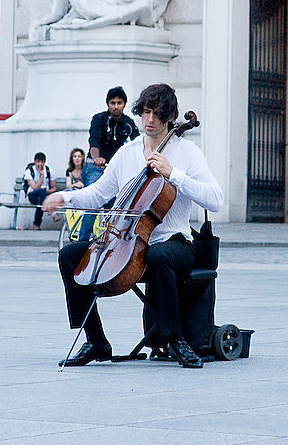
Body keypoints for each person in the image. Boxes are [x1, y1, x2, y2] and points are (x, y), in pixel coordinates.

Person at [43, 83, 224, 369]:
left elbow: (216, 199)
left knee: (158, 254)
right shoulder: (127, 154)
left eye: (158, 114)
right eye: (146, 112)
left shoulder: (186, 152)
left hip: (175, 243)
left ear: (170, 117)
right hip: (128, 242)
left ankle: (174, 339)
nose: (150, 120)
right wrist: (63, 197)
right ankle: (96, 341)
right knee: (69, 255)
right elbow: (98, 193)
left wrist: (173, 173)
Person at [78, 86, 139, 243]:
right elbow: (94, 141)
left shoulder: (129, 124)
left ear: (124, 104)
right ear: (107, 104)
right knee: (94, 200)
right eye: (113, 102)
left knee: (117, 208)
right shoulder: (98, 119)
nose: (116, 106)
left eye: (119, 102)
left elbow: (138, 145)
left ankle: (115, 244)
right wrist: (97, 158)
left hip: (114, 169)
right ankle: (82, 243)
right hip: (95, 167)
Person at [24, 152, 56, 230]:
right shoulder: (29, 171)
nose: (40, 164)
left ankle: (36, 224)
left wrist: (46, 192)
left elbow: (54, 188)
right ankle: (52, 212)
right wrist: (42, 176)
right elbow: (35, 187)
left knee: (41, 199)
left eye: (42, 162)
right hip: (32, 195)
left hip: (43, 196)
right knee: (41, 192)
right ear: (35, 162)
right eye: (38, 162)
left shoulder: (49, 171)